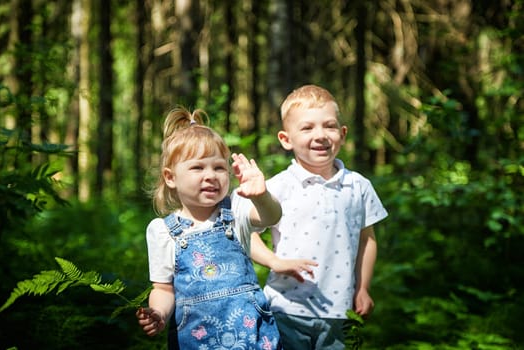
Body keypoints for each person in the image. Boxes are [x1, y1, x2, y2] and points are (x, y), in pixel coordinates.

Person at [250, 84, 388, 349]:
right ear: (285, 139)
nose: (321, 135)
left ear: (342, 134)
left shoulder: (358, 186)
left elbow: (367, 240)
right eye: (307, 128)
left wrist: (363, 287)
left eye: (329, 126)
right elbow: (248, 234)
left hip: (338, 310)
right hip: (285, 308)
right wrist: (274, 261)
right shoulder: (277, 187)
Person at [136, 107, 283, 350]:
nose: (211, 176)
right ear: (170, 177)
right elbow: (163, 288)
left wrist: (262, 196)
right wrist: (159, 313)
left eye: (218, 167)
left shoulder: (236, 210)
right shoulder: (163, 232)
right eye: (197, 168)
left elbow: (271, 215)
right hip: (197, 341)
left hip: (252, 338)